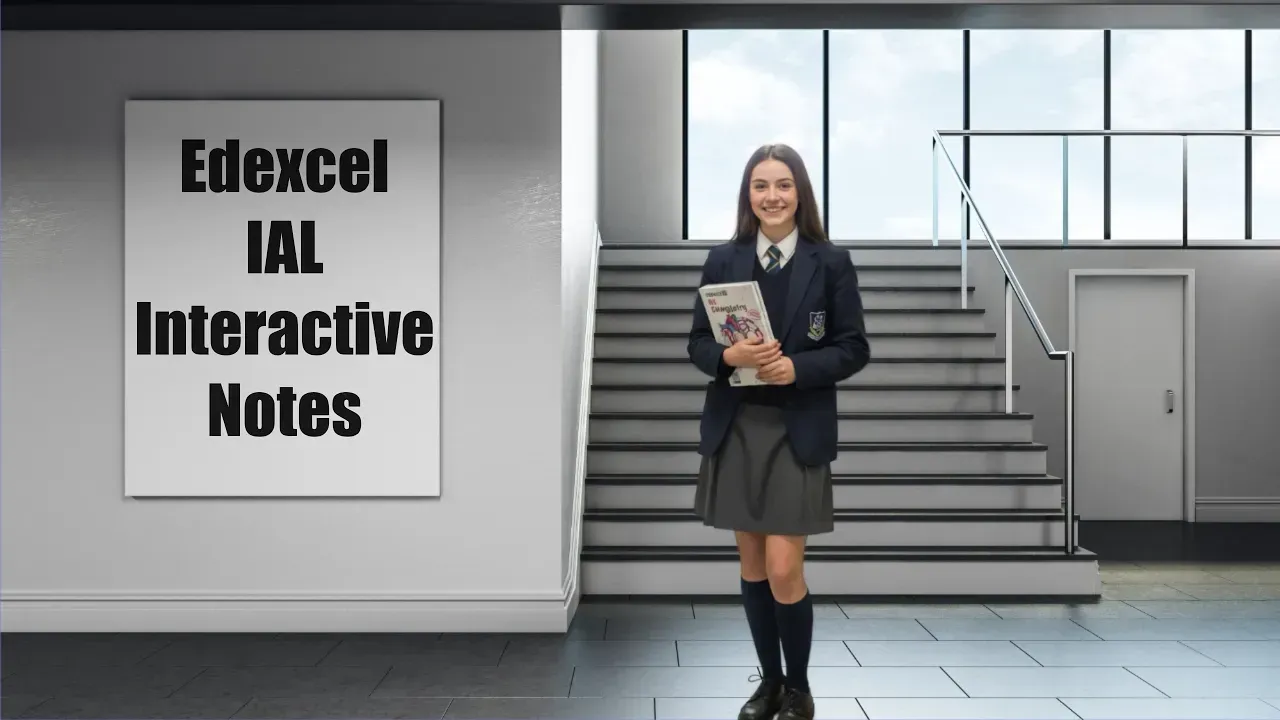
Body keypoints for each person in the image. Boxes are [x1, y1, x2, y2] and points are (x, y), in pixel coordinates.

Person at [687, 143, 871, 720]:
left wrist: (797, 368)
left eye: (784, 185)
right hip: (739, 425)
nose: (772, 196)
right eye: (761, 185)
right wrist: (728, 356)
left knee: (785, 569)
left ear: (801, 193)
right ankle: (768, 683)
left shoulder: (830, 262)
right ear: (748, 195)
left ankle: (799, 687)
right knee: (753, 568)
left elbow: (854, 348)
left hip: (797, 430)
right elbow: (697, 343)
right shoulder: (723, 260)